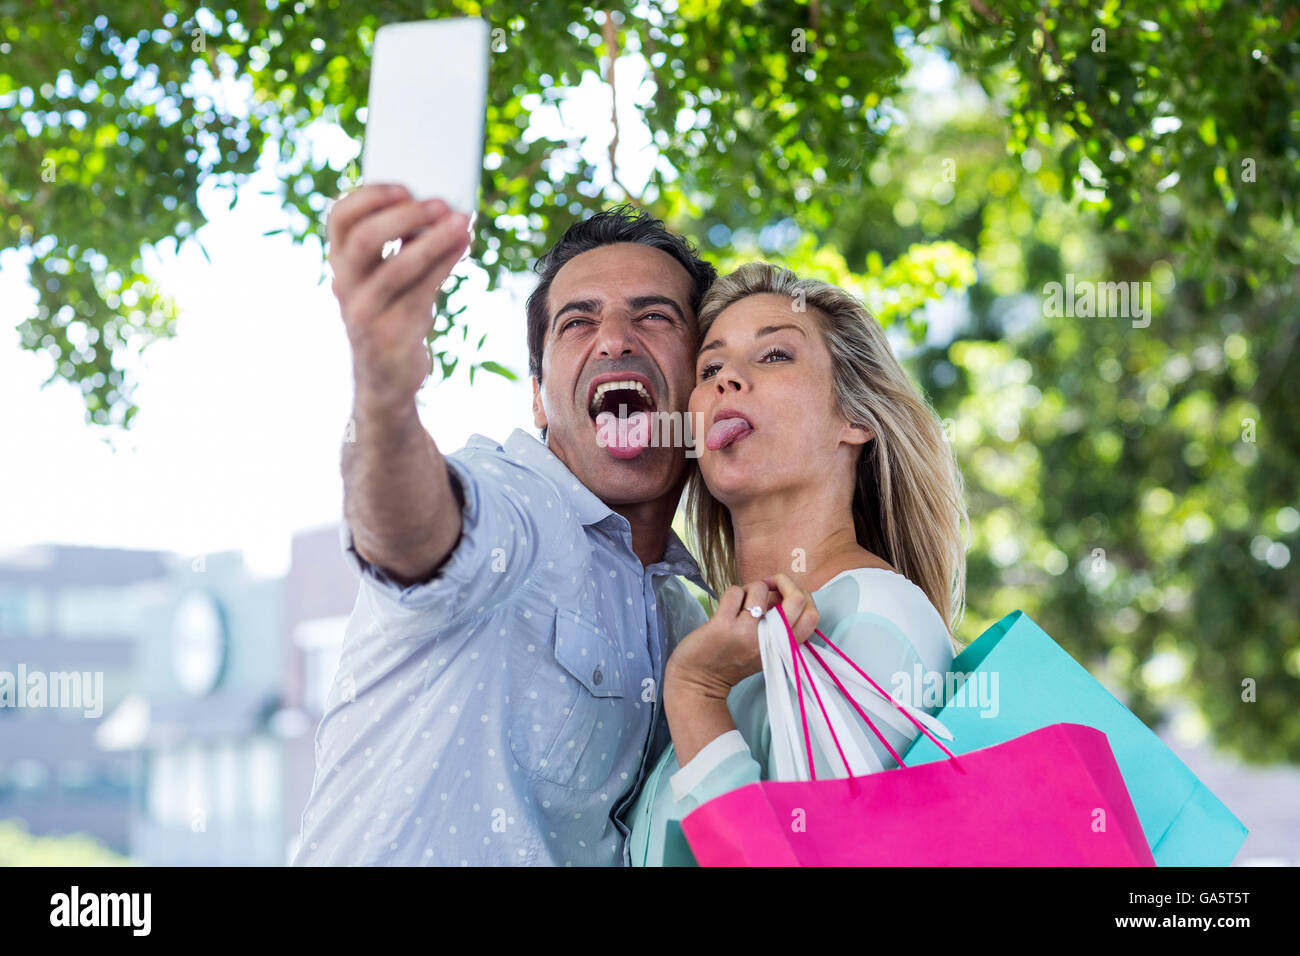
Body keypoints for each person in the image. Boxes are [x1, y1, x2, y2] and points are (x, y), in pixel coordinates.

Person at [293, 188, 717, 865]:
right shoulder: (518, 502)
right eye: (577, 322)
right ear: (537, 396)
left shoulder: (686, 628)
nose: (613, 339)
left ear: (701, 381)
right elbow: (412, 537)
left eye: (655, 317)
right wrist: (382, 388)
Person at [626, 262, 971, 866]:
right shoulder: (719, 640)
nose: (727, 379)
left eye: (775, 356)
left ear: (855, 418)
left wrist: (696, 693)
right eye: (709, 369)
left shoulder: (878, 616)